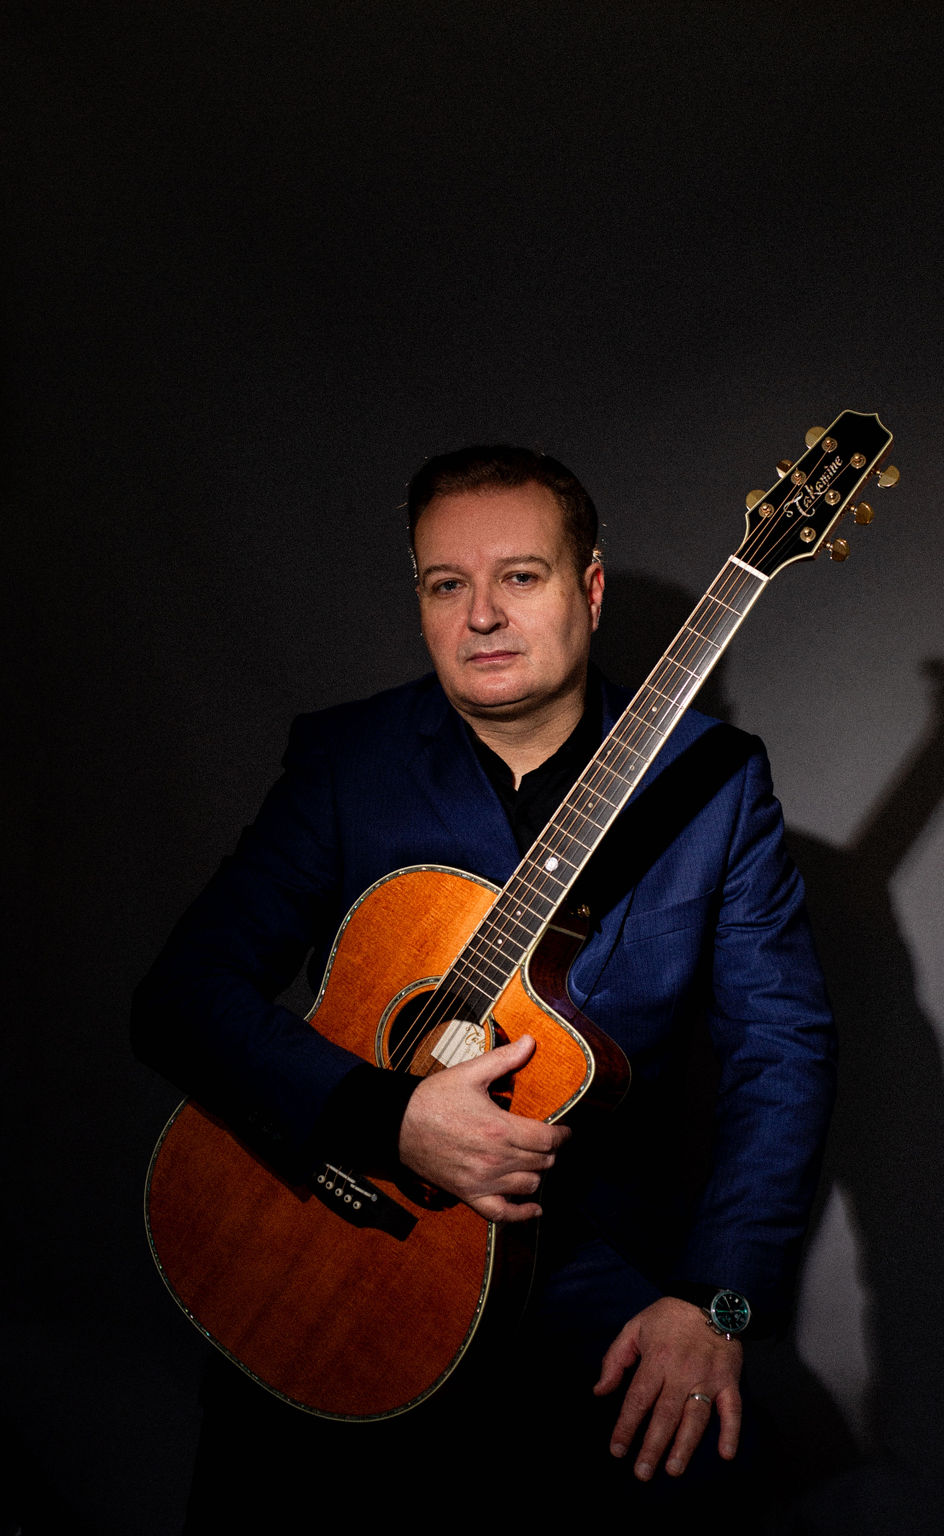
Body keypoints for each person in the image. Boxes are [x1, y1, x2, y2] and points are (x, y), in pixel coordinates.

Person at [133, 445, 835, 1528]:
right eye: (444, 584)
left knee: (709, 1473)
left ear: (587, 591)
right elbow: (182, 998)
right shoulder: (350, 761)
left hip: (576, 1260)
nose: (481, 616)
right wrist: (389, 1120)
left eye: (520, 576)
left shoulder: (716, 784)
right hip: (330, 1218)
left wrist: (718, 1304)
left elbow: (781, 1062)